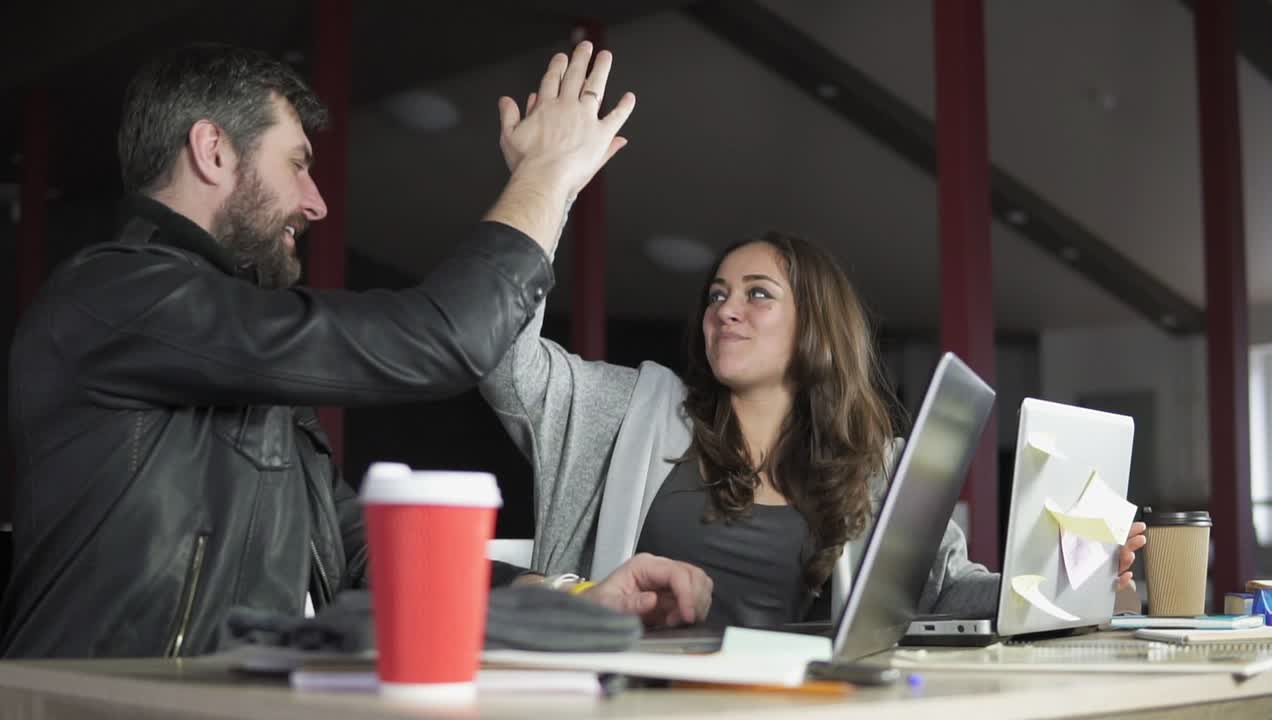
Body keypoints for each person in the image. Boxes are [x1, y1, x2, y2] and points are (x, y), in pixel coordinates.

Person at [1, 41, 710, 659]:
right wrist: (546, 178)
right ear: (213, 150)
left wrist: (567, 597)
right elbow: (440, 338)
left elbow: (367, 555)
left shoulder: (224, 342)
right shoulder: (122, 297)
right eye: (297, 163)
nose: (316, 202)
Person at [480, 231, 1145, 627]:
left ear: (815, 328)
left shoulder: (874, 465)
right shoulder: (633, 410)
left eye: (757, 293)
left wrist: (1064, 578)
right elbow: (505, 362)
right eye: (716, 294)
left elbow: (943, 593)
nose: (727, 311)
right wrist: (550, 182)